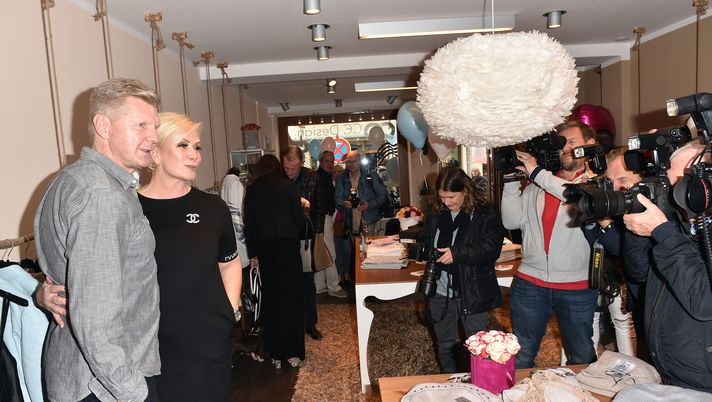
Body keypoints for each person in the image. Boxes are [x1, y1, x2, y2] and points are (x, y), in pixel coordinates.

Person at [33, 78, 162, 402]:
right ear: (103, 126)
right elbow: (96, 319)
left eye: (155, 126)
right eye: (141, 125)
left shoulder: (75, 179)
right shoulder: (101, 194)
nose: (153, 136)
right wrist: (132, 391)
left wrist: (41, 293)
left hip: (89, 376)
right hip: (106, 385)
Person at [137, 112, 242, 401]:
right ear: (155, 153)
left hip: (208, 338)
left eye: (197, 147)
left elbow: (230, 262)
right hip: (151, 343)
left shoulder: (212, 207)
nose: (194, 155)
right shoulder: (130, 207)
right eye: (183, 145)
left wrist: (229, 310)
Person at [501, 120, 599, 369]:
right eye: (560, 144)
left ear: (589, 144)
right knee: (521, 356)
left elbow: (574, 194)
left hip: (577, 286)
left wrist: (536, 173)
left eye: (572, 142)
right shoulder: (539, 183)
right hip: (530, 283)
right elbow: (511, 221)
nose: (565, 149)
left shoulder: (596, 182)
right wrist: (510, 182)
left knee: (581, 357)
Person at [622, 140, 712, 392]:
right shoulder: (682, 224)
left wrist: (663, 232)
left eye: (681, 185)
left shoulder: (680, 230)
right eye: (669, 185)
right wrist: (640, 229)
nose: (675, 195)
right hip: (671, 372)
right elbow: (638, 271)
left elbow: (704, 301)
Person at [418, 166, 505, 373]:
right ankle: (450, 382)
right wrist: (422, 249)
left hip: (472, 289)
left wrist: (457, 253)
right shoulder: (435, 211)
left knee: (477, 346)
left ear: (465, 190)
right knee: (444, 344)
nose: (446, 202)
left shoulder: (485, 213)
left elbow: (491, 249)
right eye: (442, 197)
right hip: (440, 290)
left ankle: (479, 383)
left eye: (451, 197)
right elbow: (427, 238)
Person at [244, 154, 306, 368]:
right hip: (287, 247)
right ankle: (293, 352)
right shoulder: (288, 187)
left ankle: (276, 353)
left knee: (272, 299)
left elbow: (249, 225)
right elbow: (299, 221)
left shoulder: (252, 190)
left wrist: (254, 254)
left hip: (265, 250)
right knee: (291, 299)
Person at [580, 147, 639, 357]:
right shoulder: (611, 202)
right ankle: (594, 366)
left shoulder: (644, 212)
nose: (614, 188)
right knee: (593, 318)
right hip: (601, 271)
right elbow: (592, 238)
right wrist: (591, 210)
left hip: (625, 278)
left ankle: (632, 368)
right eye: (609, 181)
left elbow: (625, 250)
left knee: (623, 321)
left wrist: (605, 221)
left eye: (622, 180)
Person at [281, 146, 326, 340]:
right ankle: (293, 323)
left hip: (306, 235)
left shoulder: (312, 177)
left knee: (308, 282)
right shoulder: (279, 178)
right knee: (289, 282)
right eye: (286, 168)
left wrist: (317, 233)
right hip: (285, 236)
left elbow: (319, 206)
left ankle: (310, 323)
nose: (289, 172)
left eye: (293, 168)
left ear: (301, 163)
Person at [315, 150, 348, 298]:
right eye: (327, 161)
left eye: (331, 161)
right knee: (330, 253)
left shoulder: (325, 177)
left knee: (321, 252)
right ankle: (334, 287)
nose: (329, 164)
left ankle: (319, 285)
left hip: (323, 217)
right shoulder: (320, 178)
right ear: (321, 161)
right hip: (323, 218)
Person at [335, 150, 388, 236]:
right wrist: (344, 203)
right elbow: (337, 199)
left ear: (360, 162)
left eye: (354, 161)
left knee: (369, 244)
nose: (351, 164)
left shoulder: (370, 176)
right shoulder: (342, 179)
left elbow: (383, 196)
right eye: (349, 161)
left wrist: (369, 205)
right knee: (355, 245)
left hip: (368, 222)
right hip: (350, 224)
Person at [221, 166, 249, 269]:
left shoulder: (224, 183)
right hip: (237, 218)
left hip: (227, 219)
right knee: (242, 250)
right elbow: (240, 204)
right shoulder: (237, 183)